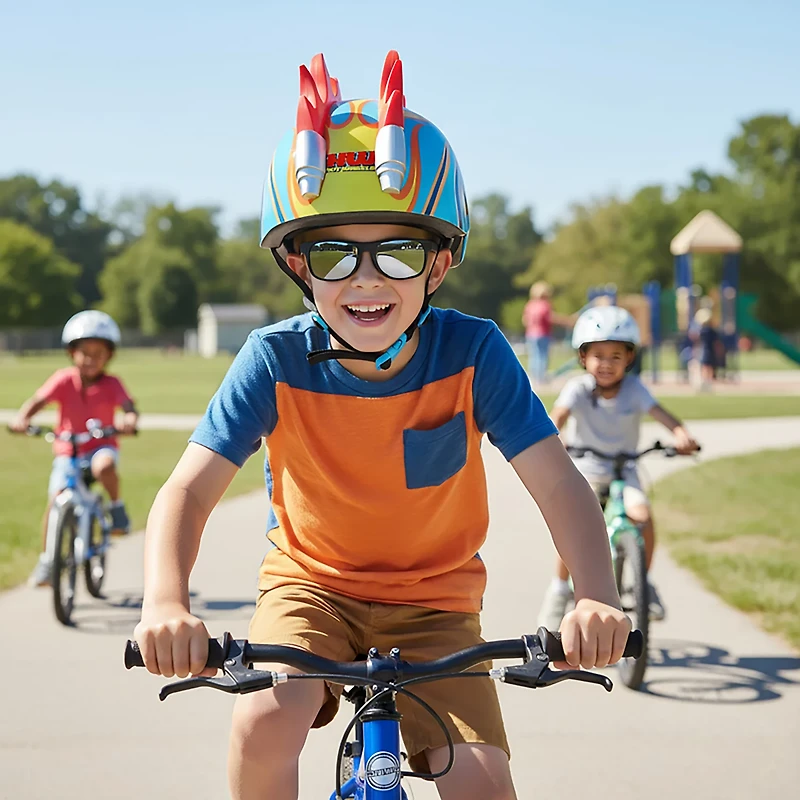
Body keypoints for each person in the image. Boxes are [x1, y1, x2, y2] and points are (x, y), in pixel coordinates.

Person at [133, 51, 631, 800]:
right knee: (263, 722)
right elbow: (187, 494)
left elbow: (558, 482)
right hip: (311, 589)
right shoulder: (273, 360)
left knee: (482, 780)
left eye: (396, 251)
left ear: (439, 262)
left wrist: (594, 592)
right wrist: (166, 604)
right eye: (335, 253)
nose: (365, 278)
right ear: (299, 265)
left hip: (436, 603)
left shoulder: (474, 353)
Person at [536, 305, 699, 632]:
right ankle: (558, 589)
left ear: (629, 358)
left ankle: (644, 582)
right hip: (587, 468)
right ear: (583, 358)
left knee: (643, 518)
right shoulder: (577, 389)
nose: (606, 364)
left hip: (626, 468)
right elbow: (557, 417)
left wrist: (681, 435)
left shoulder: (635, 390)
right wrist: (555, 437)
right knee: (577, 526)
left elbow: (661, 414)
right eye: (598, 355)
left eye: (615, 356)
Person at [10, 310, 139, 586]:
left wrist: (129, 421)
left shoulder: (112, 384)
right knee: (56, 499)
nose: (91, 359)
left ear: (109, 356)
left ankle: (116, 508)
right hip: (68, 450)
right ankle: (47, 561)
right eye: (84, 352)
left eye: (98, 353)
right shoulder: (63, 379)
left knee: (104, 466)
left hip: (100, 446)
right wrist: (23, 418)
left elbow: (129, 408)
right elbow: (38, 400)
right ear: (72, 353)